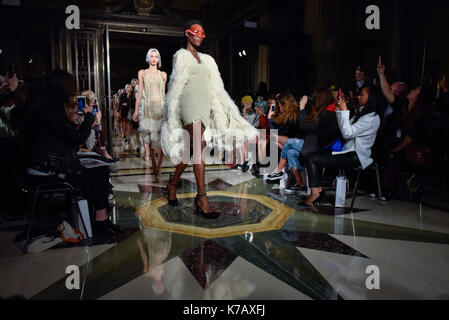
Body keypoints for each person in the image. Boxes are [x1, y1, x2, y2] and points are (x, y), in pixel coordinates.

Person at [161, 20, 258, 219]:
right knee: (200, 145)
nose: (200, 35)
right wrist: (172, 112)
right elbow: (176, 86)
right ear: (187, 33)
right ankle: (202, 197)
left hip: (204, 105)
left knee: (191, 151)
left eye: (203, 33)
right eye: (196, 32)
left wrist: (222, 110)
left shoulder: (208, 59)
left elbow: (217, 88)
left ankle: (172, 185)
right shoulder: (181, 56)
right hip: (189, 104)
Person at [23, 70, 120, 236]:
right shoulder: (51, 111)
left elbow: (61, 133)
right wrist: (89, 118)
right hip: (49, 169)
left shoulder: (42, 107)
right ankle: (101, 221)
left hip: (40, 164)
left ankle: (98, 217)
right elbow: (77, 138)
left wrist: (71, 120)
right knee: (99, 170)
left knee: (96, 165)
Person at [300, 85, 383, 207]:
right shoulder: (362, 114)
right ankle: (318, 191)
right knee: (312, 155)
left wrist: (343, 112)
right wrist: (340, 112)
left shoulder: (371, 118)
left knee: (312, 158)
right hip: (347, 152)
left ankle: (315, 192)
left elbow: (347, 132)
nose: (358, 97)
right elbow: (345, 130)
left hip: (355, 156)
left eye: (362, 95)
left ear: (372, 98)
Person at [267, 89, 340, 192]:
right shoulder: (323, 112)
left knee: (289, 142)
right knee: (290, 152)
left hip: (318, 146)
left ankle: (278, 171)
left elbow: (304, 126)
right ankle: (300, 184)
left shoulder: (328, 114)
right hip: (311, 143)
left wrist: (302, 108)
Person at [133, 49, 167, 181]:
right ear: (148, 58)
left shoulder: (163, 74)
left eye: (156, 56)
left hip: (160, 109)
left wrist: (167, 111)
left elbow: (163, 95)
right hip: (147, 109)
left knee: (160, 141)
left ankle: (159, 167)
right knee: (150, 140)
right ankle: (154, 164)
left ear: (158, 59)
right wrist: (136, 110)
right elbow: (140, 93)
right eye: (151, 56)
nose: (153, 58)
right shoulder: (142, 73)